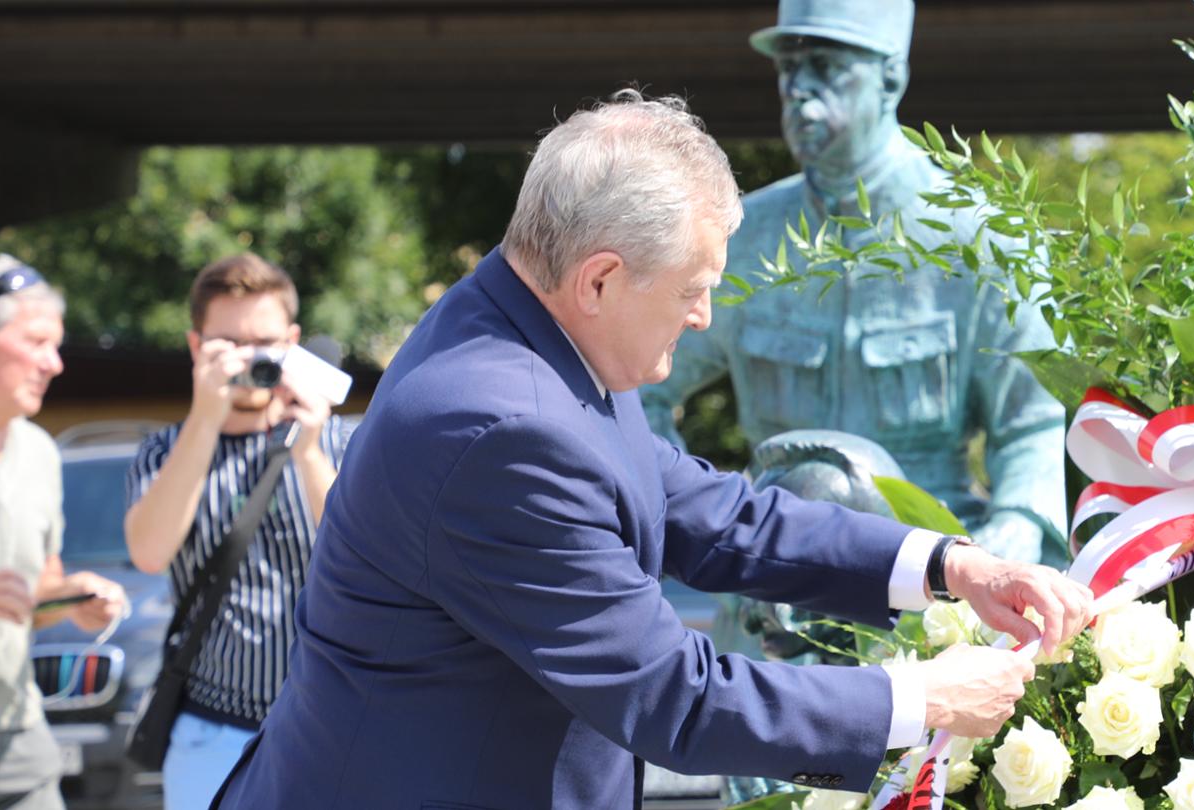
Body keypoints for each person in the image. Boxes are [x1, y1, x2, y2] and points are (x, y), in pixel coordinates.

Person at [212, 91, 1092, 809]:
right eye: (692, 289)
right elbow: (674, 697)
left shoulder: (535, 329)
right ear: (599, 278)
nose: (705, 317)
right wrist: (920, 698)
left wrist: (949, 566)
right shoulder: (504, 428)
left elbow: (701, 509)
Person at [640, 0, 1069, 566]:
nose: (798, 88)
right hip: (774, 572)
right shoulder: (739, 237)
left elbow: (1031, 425)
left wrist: (1015, 528)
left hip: (937, 571)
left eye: (827, 65)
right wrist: (686, 514)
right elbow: (636, 381)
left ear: (890, 77)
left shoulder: (988, 242)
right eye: (789, 68)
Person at [121, 254, 351, 809]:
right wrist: (206, 417)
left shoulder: (336, 441)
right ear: (196, 346)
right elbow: (149, 553)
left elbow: (368, 558)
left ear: (292, 342)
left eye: (265, 343)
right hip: (212, 732)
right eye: (230, 344)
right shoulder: (162, 452)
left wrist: (309, 454)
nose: (250, 359)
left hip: (330, 725)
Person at [0, 256, 127, 810]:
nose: (54, 364)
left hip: (20, 736)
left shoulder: (39, 452)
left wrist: (72, 598)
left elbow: (36, 591)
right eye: (36, 342)